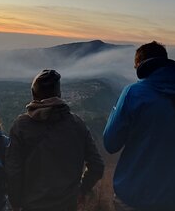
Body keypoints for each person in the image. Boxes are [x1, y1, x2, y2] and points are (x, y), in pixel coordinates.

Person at [103, 41, 175, 211]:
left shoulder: (132, 94)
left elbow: (110, 143)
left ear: (140, 66)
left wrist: (115, 112)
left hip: (135, 194)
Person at [6, 69, 105, 211]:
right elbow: (97, 165)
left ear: (34, 94)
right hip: (67, 204)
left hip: (32, 205)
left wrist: (16, 203)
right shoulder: (77, 124)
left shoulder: (21, 126)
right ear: (59, 94)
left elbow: (13, 171)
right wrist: (82, 190)